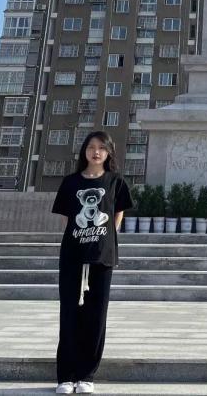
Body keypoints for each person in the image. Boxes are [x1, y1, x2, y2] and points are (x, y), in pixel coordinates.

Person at [51, 130, 133, 394]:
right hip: (73, 256)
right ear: (84, 151)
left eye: (101, 148)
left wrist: (105, 237)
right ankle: (66, 376)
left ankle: (86, 374)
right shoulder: (70, 182)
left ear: (108, 152)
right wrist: (80, 238)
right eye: (91, 147)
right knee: (69, 314)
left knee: (96, 317)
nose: (96, 152)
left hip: (102, 257)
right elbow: (66, 218)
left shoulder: (115, 181)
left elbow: (117, 213)